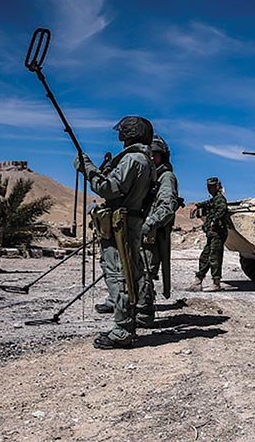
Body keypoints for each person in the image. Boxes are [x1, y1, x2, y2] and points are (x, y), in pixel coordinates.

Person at [74, 116, 156, 349]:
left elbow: (109, 189)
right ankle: (133, 320)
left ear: (129, 134)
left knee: (118, 273)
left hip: (121, 224)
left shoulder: (132, 159)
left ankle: (122, 329)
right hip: (130, 221)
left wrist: (87, 169)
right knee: (131, 271)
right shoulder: (145, 160)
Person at [140, 135, 180, 326]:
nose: (152, 158)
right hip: (141, 234)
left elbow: (167, 206)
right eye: (150, 155)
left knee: (145, 274)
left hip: (152, 236)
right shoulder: (149, 178)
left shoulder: (166, 177)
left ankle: (144, 314)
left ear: (163, 157)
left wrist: (149, 223)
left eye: (156, 155)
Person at [188, 177, 228, 292]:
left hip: (218, 233)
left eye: (211, 186)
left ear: (217, 186)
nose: (209, 189)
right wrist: (198, 206)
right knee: (205, 257)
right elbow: (208, 203)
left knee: (215, 257)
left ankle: (216, 283)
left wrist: (214, 221)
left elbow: (222, 210)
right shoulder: (214, 199)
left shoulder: (220, 199)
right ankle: (198, 281)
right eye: (208, 187)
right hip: (212, 234)